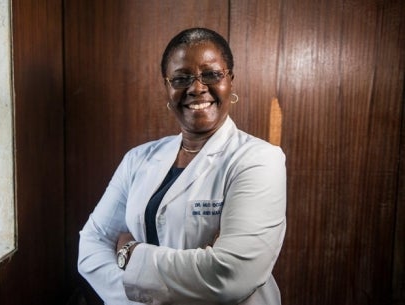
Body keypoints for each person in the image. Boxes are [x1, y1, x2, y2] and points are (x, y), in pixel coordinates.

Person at [78, 27, 286, 305]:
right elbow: (91, 247)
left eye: (211, 74)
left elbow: (232, 275)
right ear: (168, 88)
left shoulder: (258, 160)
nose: (197, 87)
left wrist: (130, 252)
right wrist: (139, 299)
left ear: (230, 81)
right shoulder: (138, 159)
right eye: (181, 78)